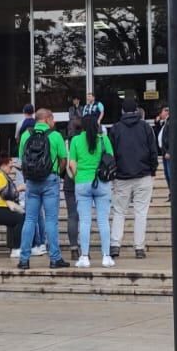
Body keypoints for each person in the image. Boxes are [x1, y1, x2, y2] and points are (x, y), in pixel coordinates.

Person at [16, 107, 68, 271]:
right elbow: (63, 159)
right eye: (52, 119)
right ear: (46, 119)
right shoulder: (55, 136)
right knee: (51, 220)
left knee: (30, 219)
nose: (54, 122)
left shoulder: (25, 135)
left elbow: (21, 158)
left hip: (32, 182)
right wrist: (57, 173)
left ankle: (24, 260)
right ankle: (55, 258)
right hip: (50, 180)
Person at [108, 95, 158, 259]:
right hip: (143, 175)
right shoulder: (145, 127)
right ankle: (139, 247)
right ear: (137, 110)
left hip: (122, 177)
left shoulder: (115, 129)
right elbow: (153, 152)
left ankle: (115, 245)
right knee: (141, 212)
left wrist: (114, 173)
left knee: (119, 212)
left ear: (122, 110)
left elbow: (110, 154)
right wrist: (153, 170)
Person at [68, 113, 114, 268]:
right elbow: (111, 159)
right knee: (103, 220)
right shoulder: (103, 139)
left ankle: (85, 256)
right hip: (102, 183)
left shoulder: (75, 140)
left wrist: (77, 177)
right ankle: (106, 256)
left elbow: (72, 163)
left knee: (85, 221)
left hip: (82, 182)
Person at [0, 157, 26, 257]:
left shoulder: (0, 174)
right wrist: (19, 189)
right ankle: (16, 248)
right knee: (20, 218)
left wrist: (15, 165)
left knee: (14, 220)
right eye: (10, 166)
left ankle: (13, 247)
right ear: (3, 165)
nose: (11, 169)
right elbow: (6, 194)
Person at [62, 113, 82, 262]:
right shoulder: (85, 141)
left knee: (72, 215)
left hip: (69, 180)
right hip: (84, 179)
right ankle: (85, 248)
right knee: (85, 215)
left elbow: (61, 162)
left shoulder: (66, 143)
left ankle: (74, 248)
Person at [154, 106, 173, 189]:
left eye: (161, 112)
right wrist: (157, 123)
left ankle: (173, 193)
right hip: (164, 152)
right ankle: (171, 193)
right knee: (167, 174)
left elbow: (173, 138)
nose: (160, 115)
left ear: (165, 112)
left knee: (170, 174)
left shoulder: (170, 122)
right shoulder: (165, 123)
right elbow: (159, 135)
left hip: (168, 153)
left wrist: (169, 151)